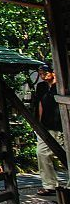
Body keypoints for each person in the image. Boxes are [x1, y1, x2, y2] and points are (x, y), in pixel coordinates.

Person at [33, 64, 65, 196]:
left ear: (53, 72)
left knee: (67, 155)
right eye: (40, 73)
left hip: (62, 127)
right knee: (42, 153)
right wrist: (38, 125)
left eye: (45, 72)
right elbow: (39, 105)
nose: (42, 75)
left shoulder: (62, 85)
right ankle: (49, 185)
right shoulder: (41, 87)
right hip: (45, 127)